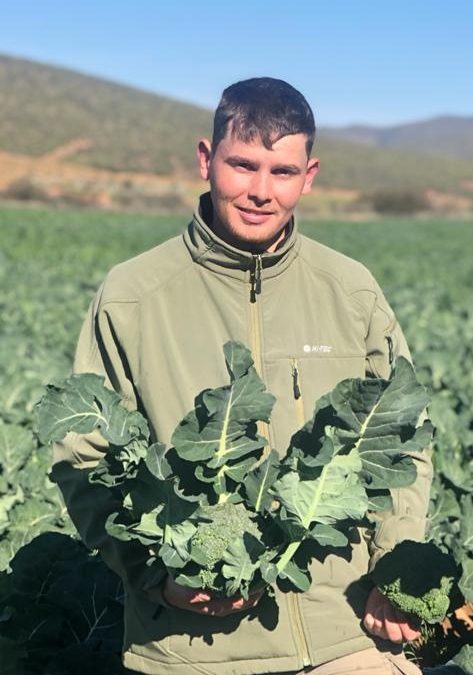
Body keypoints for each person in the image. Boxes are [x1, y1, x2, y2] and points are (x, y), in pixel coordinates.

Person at [50, 78, 431, 675]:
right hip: (191, 645)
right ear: (207, 160)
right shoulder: (135, 295)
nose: (260, 191)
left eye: (281, 172)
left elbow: (402, 436)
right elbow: (85, 454)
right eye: (243, 165)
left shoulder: (350, 291)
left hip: (344, 631)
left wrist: (395, 565)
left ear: (308, 176)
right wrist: (157, 578)